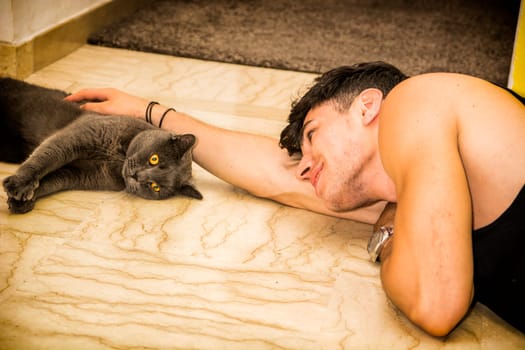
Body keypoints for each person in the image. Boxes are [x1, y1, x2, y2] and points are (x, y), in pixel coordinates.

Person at [66, 62, 525, 336]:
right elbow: (271, 172)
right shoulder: (408, 184)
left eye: (312, 135)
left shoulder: (415, 101)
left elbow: (436, 305)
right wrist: (148, 112)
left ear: (367, 107)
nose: (305, 165)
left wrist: (389, 232)